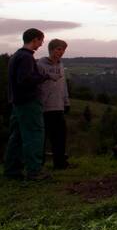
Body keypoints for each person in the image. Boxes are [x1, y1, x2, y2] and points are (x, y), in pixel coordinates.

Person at [4, 28, 59, 181]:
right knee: (34, 135)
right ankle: (34, 172)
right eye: (41, 40)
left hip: (17, 103)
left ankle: (12, 171)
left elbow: (21, 78)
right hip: (28, 102)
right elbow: (25, 80)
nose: (41, 44)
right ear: (34, 39)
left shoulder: (17, 55)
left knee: (17, 137)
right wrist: (44, 77)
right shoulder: (26, 57)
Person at [38, 38, 71, 169]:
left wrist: (66, 101)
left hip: (58, 106)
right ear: (51, 49)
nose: (61, 52)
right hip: (44, 107)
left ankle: (60, 163)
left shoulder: (61, 66)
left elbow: (63, 86)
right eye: (58, 49)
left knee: (60, 136)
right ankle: (38, 165)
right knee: (42, 138)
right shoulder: (40, 65)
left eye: (63, 49)